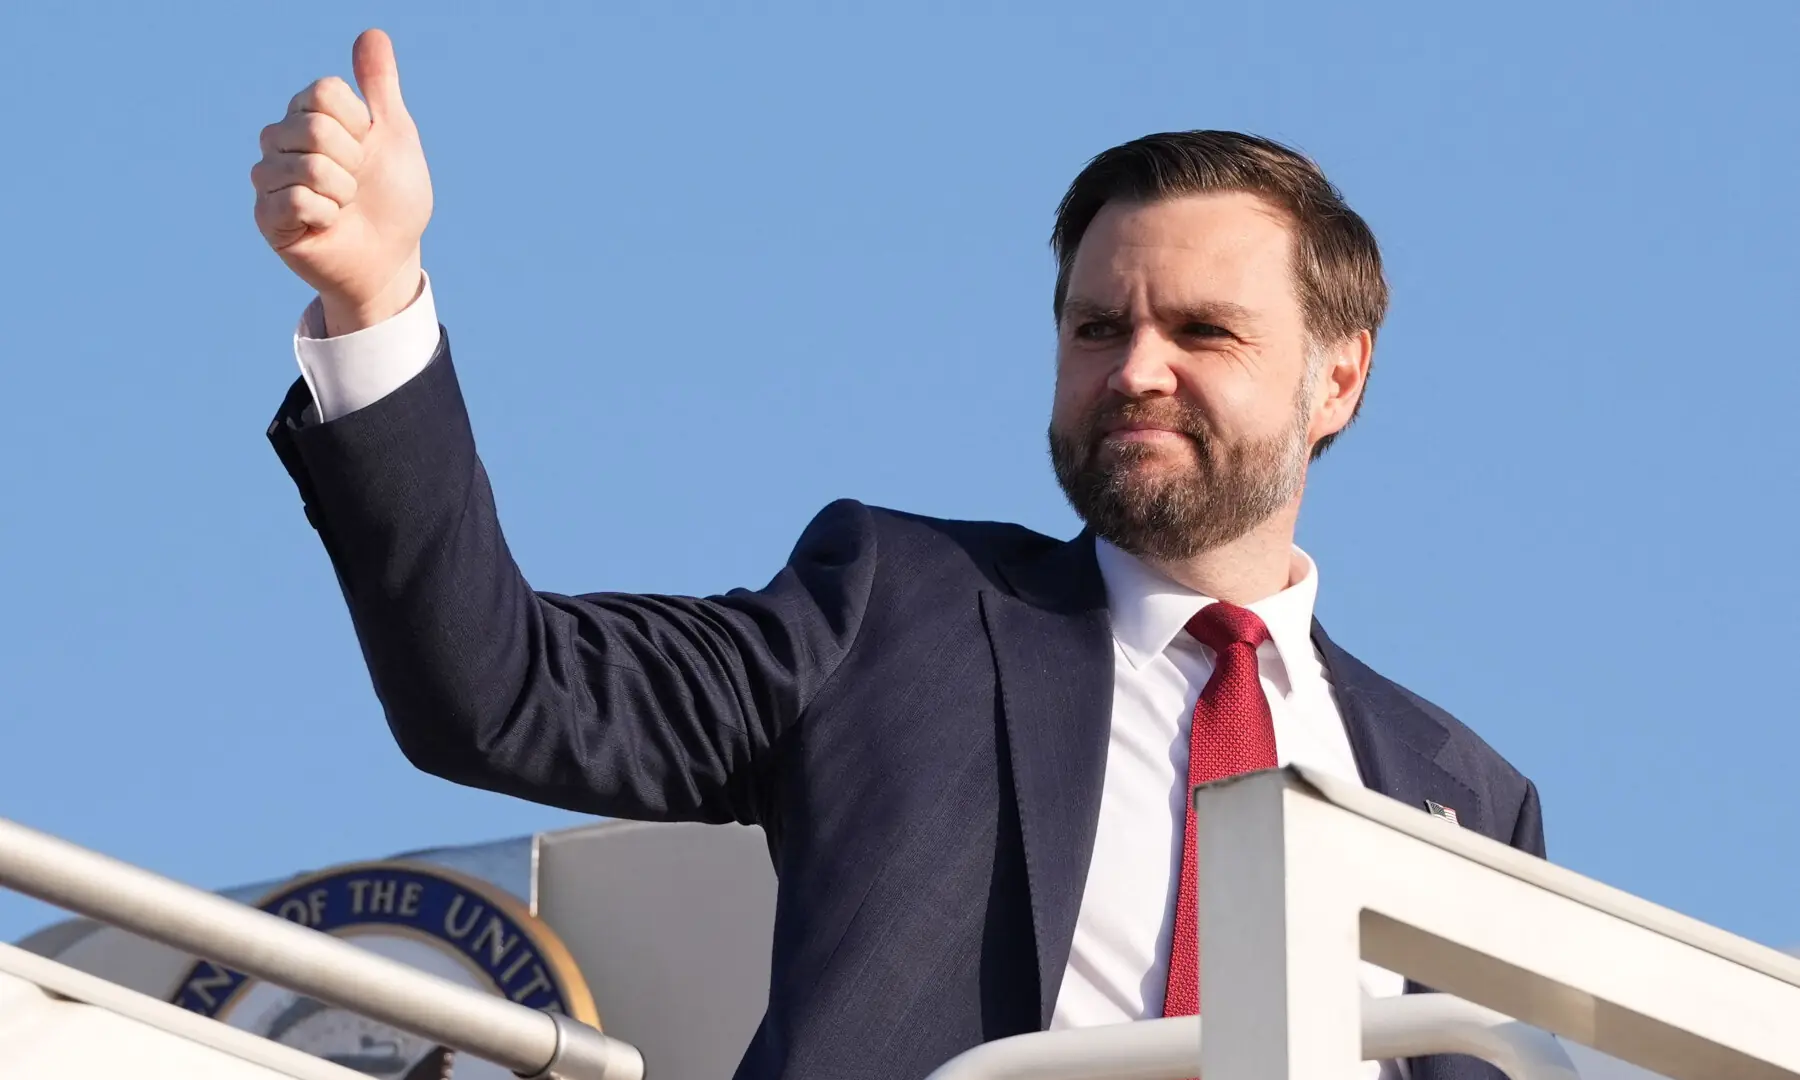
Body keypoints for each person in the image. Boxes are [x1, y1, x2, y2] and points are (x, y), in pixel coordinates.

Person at [252, 29, 1544, 1080]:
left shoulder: (1466, 801)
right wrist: (376, 304)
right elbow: (503, 691)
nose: (1136, 371)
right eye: (1098, 329)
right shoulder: (895, 612)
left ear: (1339, 378)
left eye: (1203, 331)